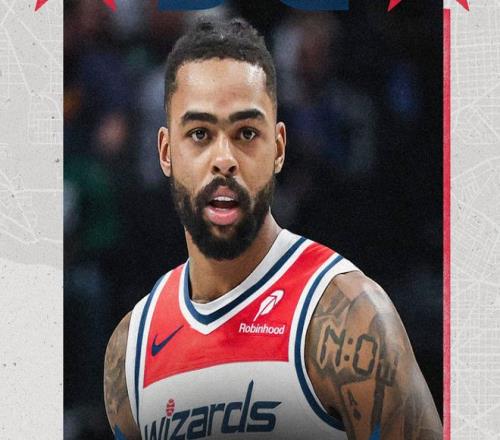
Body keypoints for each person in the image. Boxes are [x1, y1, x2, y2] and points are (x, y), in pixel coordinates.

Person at [103, 17, 442, 440]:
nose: (224, 159)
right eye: (200, 134)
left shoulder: (348, 316)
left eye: (246, 133)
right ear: (166, 152)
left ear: (279, 148)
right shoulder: (130, 349)